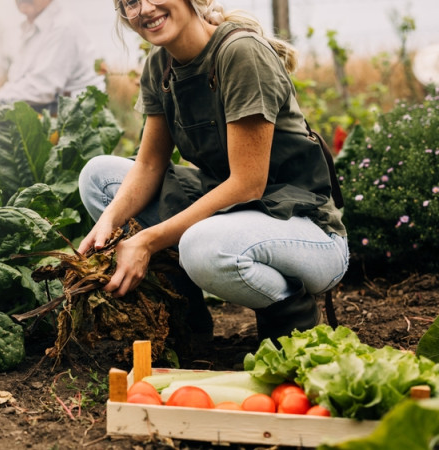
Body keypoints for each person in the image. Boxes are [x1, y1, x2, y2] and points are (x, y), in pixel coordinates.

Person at [77, 0, 349, 342]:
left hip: (307, 230)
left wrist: (146, 240)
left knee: (201, 248)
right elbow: (149, 164)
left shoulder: (240, 53)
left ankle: (291, 316)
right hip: (234, 213)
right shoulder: (161, 67)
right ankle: (185, 320)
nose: (145, 8)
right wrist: (108, 223)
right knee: (99, 177)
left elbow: (248, 184)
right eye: (131, 2)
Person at [0, 0, 107, 167]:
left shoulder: (63, 27)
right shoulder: (29, 30)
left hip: (65, 122)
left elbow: (42, 89)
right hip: (36, 111)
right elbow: (16, 85)